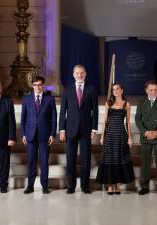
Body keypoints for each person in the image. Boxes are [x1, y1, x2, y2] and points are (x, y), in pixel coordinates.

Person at [59, 64, 99, 194]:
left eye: (82, 73)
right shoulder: (67, 89)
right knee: (70, 159)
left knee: (86, 159)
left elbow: (95, 111)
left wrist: (94, 129)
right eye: (77, 73)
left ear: (85, 74)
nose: (79, 75)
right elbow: (62, 112)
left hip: (86, 130)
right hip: (70, 129)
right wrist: (62, 130)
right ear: (73, 74)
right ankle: (71, 186)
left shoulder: (91, 89)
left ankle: (84, 186)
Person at [96, 83, 135, 194]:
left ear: (122, 90)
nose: (116, 91)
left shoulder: (127, 104)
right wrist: (102, 136)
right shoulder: (108, 103)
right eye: (114, 90)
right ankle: (110, 184)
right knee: (110, 159)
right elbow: (105, 121)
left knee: (119, 159)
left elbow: (127, 123)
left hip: (121, 135)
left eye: (118, 89)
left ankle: (117, 185)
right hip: (110, 135)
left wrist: (130, 138)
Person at [21, 76, 57, 194]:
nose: (38, 87)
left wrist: (52, 134)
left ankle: (44, 186)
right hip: (30, 134)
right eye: (35, 85)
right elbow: (23, 118)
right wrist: (23, 134)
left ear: (43, 85)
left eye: (40, 84)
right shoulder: (26, 99)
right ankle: (30, 186)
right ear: (32, 85)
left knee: (44, 161)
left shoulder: (50, 99)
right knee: (31, 161)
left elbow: (53, 117)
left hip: (45, 135)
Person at [135, 80, 157, 196]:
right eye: (151, 89)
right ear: (146, 90)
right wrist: (145, 132)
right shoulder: (141, 102)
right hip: (146, 136)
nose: (153, 92)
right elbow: (137, 120)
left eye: (155, 89)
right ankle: (144, 186)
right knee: (145, 162)